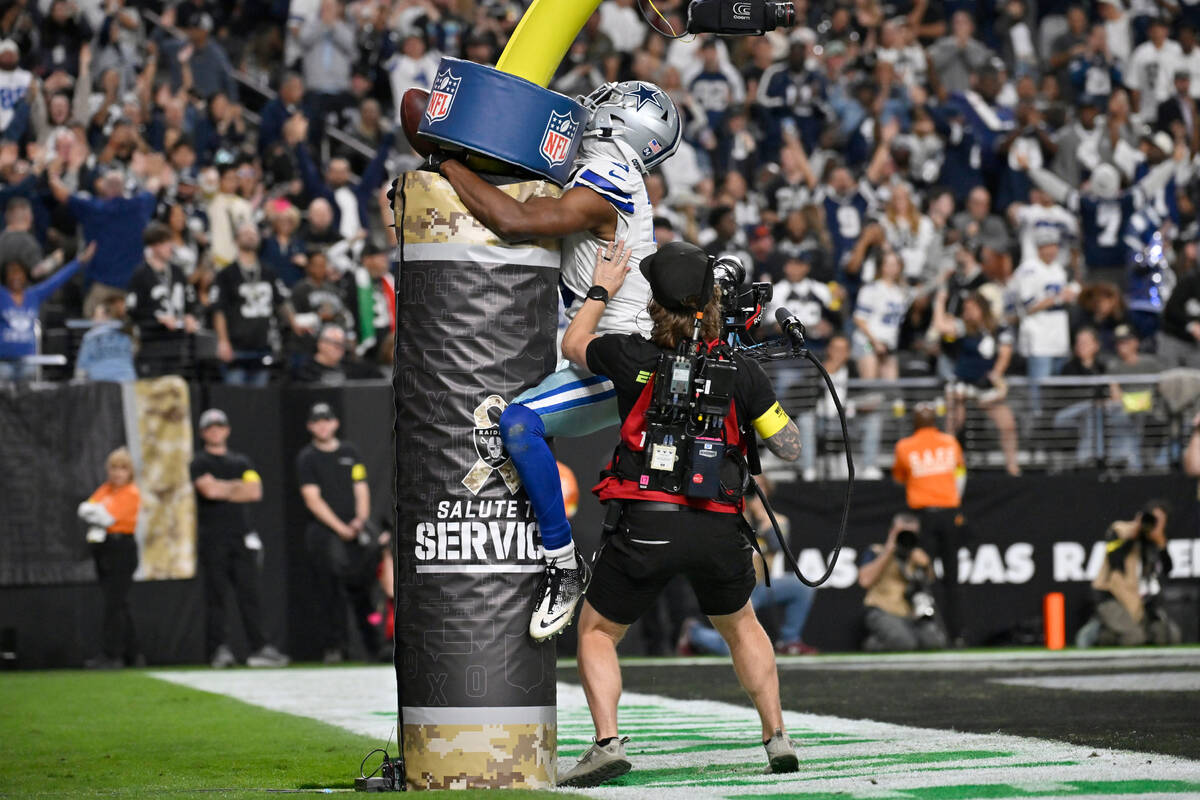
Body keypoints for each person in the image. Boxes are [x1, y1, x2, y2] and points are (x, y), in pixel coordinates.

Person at [433, 80, 682, 641]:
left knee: (518, 425)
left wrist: (444, 162)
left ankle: (564, 567)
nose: (592, 105)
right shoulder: (611, 172)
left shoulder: (608, 181)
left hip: (618, 358)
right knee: (525, 427)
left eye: (607, 101)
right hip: (608, 350)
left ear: (620, 121)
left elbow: (516, 221)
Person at [555, 240, 803, 786]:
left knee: (596, 632)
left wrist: (600, 289)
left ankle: (607, 743)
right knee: (741, 625)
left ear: (654, 303)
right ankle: (776, 734)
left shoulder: (631, 356)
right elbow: (788, 446)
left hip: (646, 522)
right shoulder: (739, 369)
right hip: (717, 523)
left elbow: (574, 341)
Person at [190, 409, 289, 669]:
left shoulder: (242, 461)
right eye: (210, 427)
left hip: (242, 538)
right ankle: (219, 650)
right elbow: (209, 491)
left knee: (250, 595)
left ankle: (259, 648)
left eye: (219, 426)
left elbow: (255, 492)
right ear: (203, 433)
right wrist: (235, 487)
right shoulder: (199, 462)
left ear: (227, 429)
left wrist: (224, 486)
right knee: (216, 596)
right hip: (213, 538)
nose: (215, 430)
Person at [678, 485, 817, 656]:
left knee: (801, 587)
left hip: (759, 585)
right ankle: (694, 633)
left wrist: (764, 519)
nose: (757, 500)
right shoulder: (731, 517)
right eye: (753, 495)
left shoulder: (775, 521)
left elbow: (774, 554)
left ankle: (789, 640)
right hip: (736, 586)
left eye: (761, 495)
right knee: (733, 649)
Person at [297, 402, 379, 663]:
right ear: (310, 426)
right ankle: (335, 647)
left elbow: (361, 488)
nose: (322, 425)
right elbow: (312, 499)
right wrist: (340, 528)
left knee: (364, 589)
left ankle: (374, 647)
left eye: (327, 420)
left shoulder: (350, 452)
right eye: (317, 421)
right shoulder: (307, 457)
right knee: (329, 591)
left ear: (335, 423)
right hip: (326, 532)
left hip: (355, 530)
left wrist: (360, 520)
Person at [891, 403, 968, 644]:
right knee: (952, 577)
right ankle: (956, 635)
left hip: (923, 516)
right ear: (935, 420)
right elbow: (960, 474)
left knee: (922, 574)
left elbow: (899, 478)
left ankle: (930, 632)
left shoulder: (905, 446)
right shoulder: (949, 443)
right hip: (949, 513)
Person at [1076, 501, 1181, 647]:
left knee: (1167, 636)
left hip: (1139, 602)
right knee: (1134, 638)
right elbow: (1115, 560)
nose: (1153, 524)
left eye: (1159, 521)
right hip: (1112, 599)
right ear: (1140, 517)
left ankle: (1108, 633)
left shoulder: (1154, 542)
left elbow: (1168, 570)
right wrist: (1134, 534)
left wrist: (1162, 545)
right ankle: (1097, 632)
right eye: (1151, 519)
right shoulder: (1120, 530)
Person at [77, 447, 142, 669]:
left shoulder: (131, 492)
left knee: (114, 604)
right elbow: (83, 509)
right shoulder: (105, 490)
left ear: (129, 471)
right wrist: (95, 512)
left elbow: (105, 517)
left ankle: (112, 655)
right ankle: (134, 654)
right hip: (104, 548)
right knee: (119, 603)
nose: (117, 473)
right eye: (114, 467)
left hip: (122, 548)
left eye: (122, 468)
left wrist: (96, 512)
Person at [0, 242, 95, 381]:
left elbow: (56, 281)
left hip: (28, 363)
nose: (16, 277)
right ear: (5, 276)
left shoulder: (33, 295)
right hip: (4, 363)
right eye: (11, 273)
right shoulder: (2, 295)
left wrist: (78, 262)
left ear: (25, 275)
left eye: (19, 272)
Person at [857, 513, 947, 651]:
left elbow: (930, 583)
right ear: (892, 532)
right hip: (882, 611)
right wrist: (888, 551)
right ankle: (872, 644)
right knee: (905, 644)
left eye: (911, 534)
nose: (906, 538)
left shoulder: (917, 556)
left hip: (911, 613)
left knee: (934, 643)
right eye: (902, 533)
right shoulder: (876, 551)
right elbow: (865, 581)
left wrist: (926, 565)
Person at [74, 294, 137, 382]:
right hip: (127, 379)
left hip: (101, 383)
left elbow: (81, 369)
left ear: (106, 316)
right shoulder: (126, 332)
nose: (93, 320)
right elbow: (133, 355)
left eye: (95, 316)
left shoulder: (90, 336)